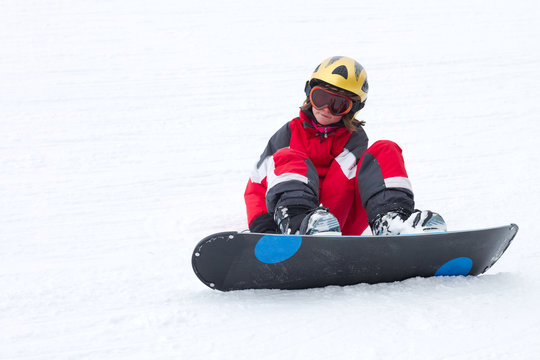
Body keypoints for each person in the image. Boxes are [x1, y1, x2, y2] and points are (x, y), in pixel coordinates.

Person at [244, 56, 446, 236]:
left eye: (338, 105)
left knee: (385, 148)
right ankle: (298, 224)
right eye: (320, 98)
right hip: (292, 220)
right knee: (289, 156)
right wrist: (262, 225)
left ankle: (392, 222)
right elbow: (258, 182)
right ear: (309, 94)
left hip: (340, 220)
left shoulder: (355, 140)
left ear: (352, 109)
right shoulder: (289, 134)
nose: (326, 109)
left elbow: (347, 188)